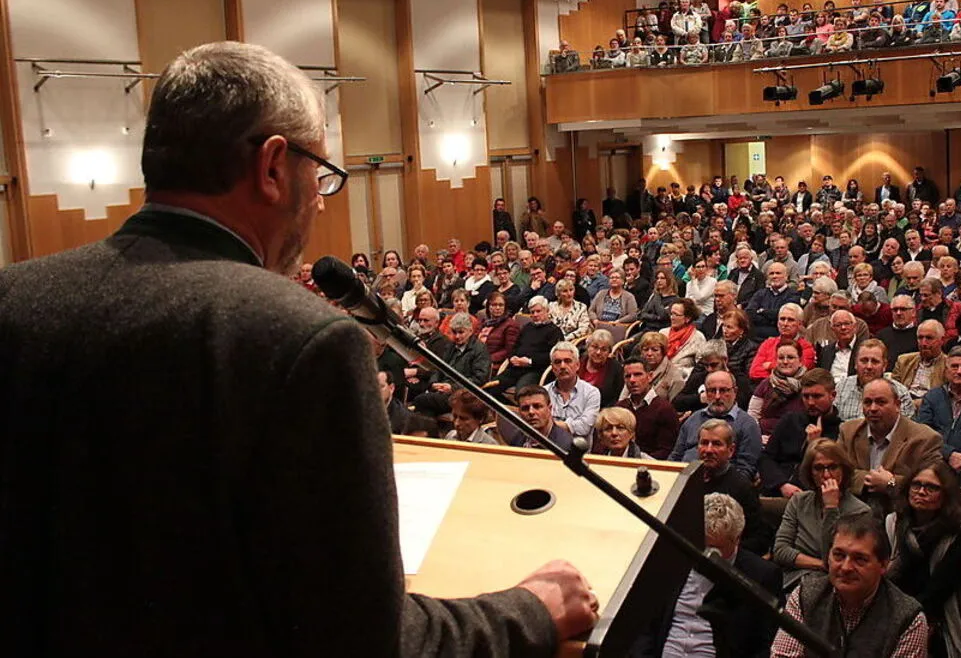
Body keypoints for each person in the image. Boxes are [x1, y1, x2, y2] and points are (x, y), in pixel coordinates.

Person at [0, 41, 595, 656]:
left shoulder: (13, 299)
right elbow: (363, 637)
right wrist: (529, 612)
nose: (318, 198)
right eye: (321, 174)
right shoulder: (298, 339)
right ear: (273, 167)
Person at [771, 515, 929, 658]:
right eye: (839, 555)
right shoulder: (805, 595)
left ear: (883, 565)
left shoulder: (909, 619)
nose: (846, 567)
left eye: (860, 559)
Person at [646, 493, 783, 658]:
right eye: (702, 544)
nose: (706, 553)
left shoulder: (762, 576)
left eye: (716, 548)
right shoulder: (672, 560)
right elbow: (645, 627)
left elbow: (765, 646)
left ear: (737, 539)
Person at [885, 462, 961, 658]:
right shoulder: (893, 523)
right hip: (891, 606)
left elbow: (938, 591)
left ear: (946, 495)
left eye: (931, 487)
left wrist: (913, 620)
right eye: (916, 485)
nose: (921, 492)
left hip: (939, 614)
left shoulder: (959, 535)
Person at [773, 439, 871, 590]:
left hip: (835, 584)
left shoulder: (860, 511)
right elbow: (780, 551)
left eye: (833, 467)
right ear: (810, 472)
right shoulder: (799, 502)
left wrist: (831, 508)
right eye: (818, 468)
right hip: (794, 579)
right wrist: (820, 564)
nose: (826, 475)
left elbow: (832, 557)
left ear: (843, 470)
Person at [838, 378, 943, 515]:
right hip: (852, 515)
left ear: (898, 405)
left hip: (903, 515)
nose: (873, 408)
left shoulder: (926, 439)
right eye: (868, 402)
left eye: (881, 402)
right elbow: (836, 474)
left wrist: (891, 483)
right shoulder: (848, 431)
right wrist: (869, 479)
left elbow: (932, 486)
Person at [760, 369, 844, 498]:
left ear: (832, 395)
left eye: (817, 396)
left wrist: (814, 445)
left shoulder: (841, 429)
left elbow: (830, 472)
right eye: (806, 396)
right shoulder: (789, 420)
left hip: (814, 496)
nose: (810, 402)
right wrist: (782, 484)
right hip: (778, 490)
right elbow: (766, 458)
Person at [696, 419, 772, 555]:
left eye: (716, 444)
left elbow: (759, 539)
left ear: (730, 450)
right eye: (704, 443)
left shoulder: (742, 487)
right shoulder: (688, 481)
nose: (708, 450)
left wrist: (726, 551)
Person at [670, 371, 763, 479]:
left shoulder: (748, 425)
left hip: (723, 484)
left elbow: (745, 470)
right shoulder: (693, 419)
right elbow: (675, 457)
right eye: (712, 391)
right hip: (682, 481)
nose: (717, 396)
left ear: (735, 392)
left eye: (723, 390)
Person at [833, 339, 916, 421]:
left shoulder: (900, 393)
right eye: (864, 361)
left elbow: (906, 428)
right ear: (855, 363)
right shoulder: (841, 388)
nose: (869, 366)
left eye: (875, 361)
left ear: (884, 365)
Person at [616, 357, 679, 460]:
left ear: (650, 376)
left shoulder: (665, 410)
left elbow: (666, 450)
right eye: (628, 376)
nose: (632, 380)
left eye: (638, 374)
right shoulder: (620, 408)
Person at [544, 342, 602, 448]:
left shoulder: (591, 393)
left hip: (578, 453)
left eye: (567, 361)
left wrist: (549, 425)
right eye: (557, 362)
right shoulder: (544, 392)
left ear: (577, 365)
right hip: (548, 449)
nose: (562, 366)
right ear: (552, 368)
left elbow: (584, 428)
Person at [749, 340, 807, 442]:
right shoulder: (765, 384)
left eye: (790, 357)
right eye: (781, 358)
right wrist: (758, 437)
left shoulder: (808, 385)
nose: (785, 362)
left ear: (800, 360)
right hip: (765, 439)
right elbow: (752, 415)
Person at [891, 319, 948, 401]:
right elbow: (893, 389)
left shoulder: (949, 365)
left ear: (942, 340)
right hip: (904, 402)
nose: (923, 343)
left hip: (931, 405)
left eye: (929, 338)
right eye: (920, 338)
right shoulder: (903, 360)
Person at [578, 329, 624, 407]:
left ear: (609, 352)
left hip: (602, 409)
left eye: (604, 349)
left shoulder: (616, 369)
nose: (598, 352)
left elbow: (616, 398)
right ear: (588, 347)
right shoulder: (578, 362)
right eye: (595, 347)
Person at [479, 292, 520, 373]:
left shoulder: (511, 325)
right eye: (494, 305)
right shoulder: (484, 323)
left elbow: (509, 350)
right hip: (478, 359)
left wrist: (487, 358)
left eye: (501, 305)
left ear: (505, 307)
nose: (497, 308)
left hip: (494, 364)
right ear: (488, 307)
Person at [876, 295, 920, 369]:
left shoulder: (920, 335)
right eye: (895, 310)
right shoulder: (881, 336)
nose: (898, 313)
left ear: (913, 312)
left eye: (903, 309)